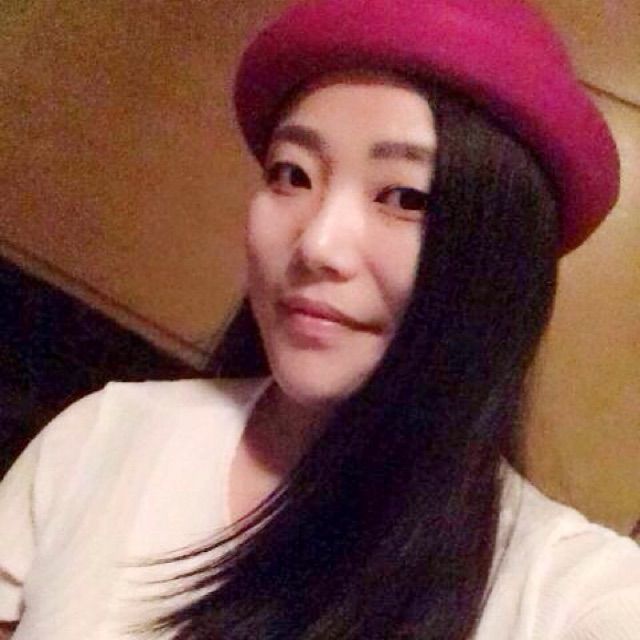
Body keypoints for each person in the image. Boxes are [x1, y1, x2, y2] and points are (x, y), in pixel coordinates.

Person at [1, 0, 639, 638]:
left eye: (406, 196)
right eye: (292, 174)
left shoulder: (566, 591)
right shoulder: (104, 437)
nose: (317, 246)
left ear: (503, 261)